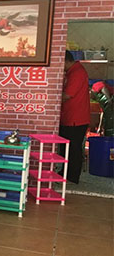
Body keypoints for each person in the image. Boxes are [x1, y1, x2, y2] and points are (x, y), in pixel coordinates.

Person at [59, 50, 90, 183]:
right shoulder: (71, 72)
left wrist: (50, 98)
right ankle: (64, 172)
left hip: (76, 119)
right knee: (66, 149)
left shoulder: (77, 73)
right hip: (69, 117)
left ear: (66, 61)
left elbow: (67, 95)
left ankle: (72, 177)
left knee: (73, 149)